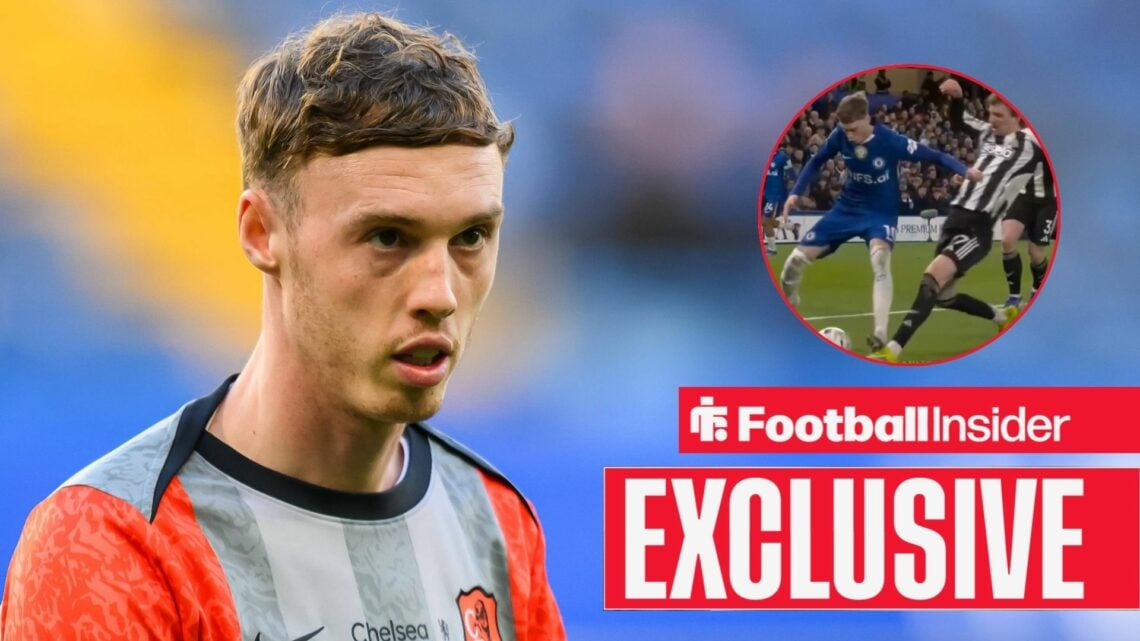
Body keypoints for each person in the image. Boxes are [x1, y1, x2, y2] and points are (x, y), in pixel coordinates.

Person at [1, 13, 566, 641]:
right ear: (261, 233)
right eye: (386, 237)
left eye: (471, 237)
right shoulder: (113, 544)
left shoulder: (496, 524)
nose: (439, 294)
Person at [778, 92, 979, 351]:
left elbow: (937, 156)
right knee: (794, 262)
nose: (848, 136)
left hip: (881, 212)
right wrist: (796, 192)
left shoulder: (891, 141)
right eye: (845, 130)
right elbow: (817, 160)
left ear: (866, 118)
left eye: (852, 129)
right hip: (847, 209)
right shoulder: (840, 135)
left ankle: (880, 334)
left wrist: (966, 171)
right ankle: (789, 305)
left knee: (880, 261)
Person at [870, 80, 1042, 363]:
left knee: (930, 280)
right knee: (944, 296)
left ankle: (893, 350)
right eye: (991, 115)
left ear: (1017, 117)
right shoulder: (987, 133)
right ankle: (1002, 316)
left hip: (978, 227)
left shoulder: (1030, 143)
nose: (992, 121)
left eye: (999, 116)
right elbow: (960, 120)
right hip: (955, 219)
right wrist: (959, 98)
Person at [999, 129, 1057, 306]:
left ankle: (1036, 291)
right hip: (1023, 197)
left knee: (1035, 253)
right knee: (1007, 241)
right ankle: (1014, 296)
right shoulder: (1019, 136)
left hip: (1048, 202)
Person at [761, 145, 796, 255]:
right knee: (767, 221)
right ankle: (792, 227)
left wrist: (790, 193)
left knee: (765, 221)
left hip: (776, 195)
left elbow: (792, 176)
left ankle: (772, 249)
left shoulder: (782, 158)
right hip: (765, 194)